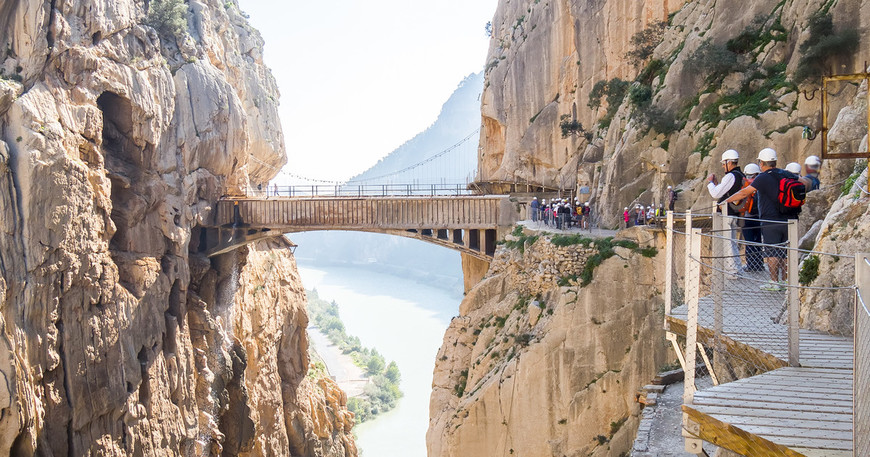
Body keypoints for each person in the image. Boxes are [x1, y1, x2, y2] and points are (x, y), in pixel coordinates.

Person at [725, 148, 789, 291]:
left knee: (772, 252)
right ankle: (785, 281)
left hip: (770, 220)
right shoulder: (786, 174)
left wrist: (725, 201)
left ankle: (774, 282)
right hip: (788, 218)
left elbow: (744, 193)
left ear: (761, 163)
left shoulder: (763, 177)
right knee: (785, 251)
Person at [707, 149, 746, 275]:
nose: (723, 166)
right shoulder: (741, 175)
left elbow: (716, 193)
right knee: (733, 242)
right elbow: (726, 191)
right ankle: (737, 268)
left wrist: (710, 183)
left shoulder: (731, 176)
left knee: (728, 243)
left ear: (729, 162)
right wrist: (717, 183)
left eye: (724, 164)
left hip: (727, 212)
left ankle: (732, 270)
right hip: (735, 212)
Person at [741, 163, 764, 272]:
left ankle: (751, 265)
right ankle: (759, 264)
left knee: (749, 242)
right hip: (759, 218)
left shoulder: (745, 186)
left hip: (747, 218)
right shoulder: (761, 186)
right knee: (758, 241)